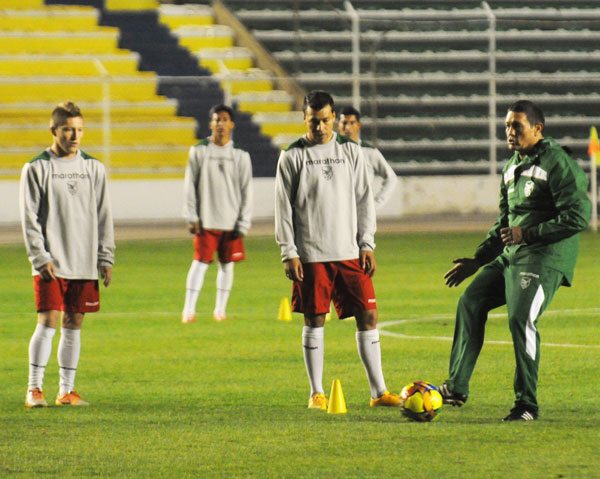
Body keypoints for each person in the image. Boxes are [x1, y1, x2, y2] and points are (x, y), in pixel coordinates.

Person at [439, 100, 591, 421]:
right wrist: (478, 259)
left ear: (537, 129)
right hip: (514, 255)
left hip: (545, 257)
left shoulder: (557, 162)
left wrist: (528, 234)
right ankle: (456, 387)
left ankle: (526, 405)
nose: (509, 131)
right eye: (507, 125)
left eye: (516, 126)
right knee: (470, 301)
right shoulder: (511, 166)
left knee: (521, 318)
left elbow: (579, 216)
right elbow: (505, 222)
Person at [274, 90, 401, 410]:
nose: (320, 127)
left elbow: (364, 199)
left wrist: (367, 243)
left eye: (325, 120)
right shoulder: (292, 156)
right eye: (313, 121)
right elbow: (283, 209)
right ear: (304, 119)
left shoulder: (351, 151)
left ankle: (379, 392)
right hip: (311, 253)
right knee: (315, 318)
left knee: (368, 315)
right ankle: (316, 392)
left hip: (349, 252)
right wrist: (289, 251)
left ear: (333, 118)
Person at [20, 101, 115, 408]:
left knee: (73, 323)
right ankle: (34, 389)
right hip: (50, 262)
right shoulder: (36, 168)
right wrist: (40, 257)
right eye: (67, 130)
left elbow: (104, 216)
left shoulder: (94, 168)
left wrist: (105, 257)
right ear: (54, 130)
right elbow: (29, 219)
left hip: (83, 261)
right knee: (48, 321)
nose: (74, 136)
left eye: (79, 130)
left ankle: (66, 391)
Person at [182, 104, 253, 323]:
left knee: (227, 265)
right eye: (216, 120)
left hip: (231, 222)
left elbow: (247, 190)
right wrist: (191, 216)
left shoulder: (240, 155)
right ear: (210, 124)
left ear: (232, 124)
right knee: (199, 263)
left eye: (224, 119)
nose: (220, 124)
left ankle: (220, 310)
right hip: (206, 220)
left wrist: (244, 222)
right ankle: (188, 310)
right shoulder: (199, 150)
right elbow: (189, 185)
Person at [338, 106, 397, 210]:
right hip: (338, 211)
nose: (347, 127)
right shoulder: (330, 151)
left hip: (361, 213)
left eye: (352, 123)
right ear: (338, 125)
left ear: (358, 125)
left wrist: (376, 203)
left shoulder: (369, 152)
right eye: (344, 123)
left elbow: (391, 178)